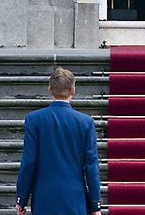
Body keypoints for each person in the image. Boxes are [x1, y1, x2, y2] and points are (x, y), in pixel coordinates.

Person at [15, 67, 100, 215]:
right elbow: (91, 166)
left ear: (50, 89)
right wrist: (95, 205)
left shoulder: (34, 120)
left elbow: (29, 162)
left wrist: (21, 199)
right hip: (75, 198)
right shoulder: (85, 122)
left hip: (44, 198)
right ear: (73, 90)